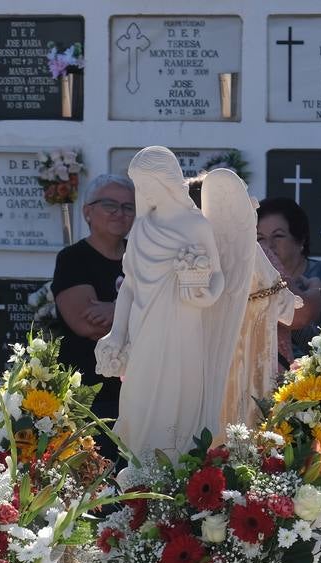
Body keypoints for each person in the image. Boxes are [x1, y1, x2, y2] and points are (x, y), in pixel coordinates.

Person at [95, 146, 224, 459]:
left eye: (147, 184)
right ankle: (140, 470)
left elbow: (218, 277)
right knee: (138, 401)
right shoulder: (142, 227)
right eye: (140, 185)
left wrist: (206, 295)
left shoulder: (197, 226)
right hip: (144, 329)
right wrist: (117, 332)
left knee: (178, 402)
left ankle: (175, 472)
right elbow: (129, 286)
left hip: (184, 330)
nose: (143, 192)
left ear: (167, 182)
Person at [49, 174, 134, 459]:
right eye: (110, 205)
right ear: (88, 211)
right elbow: (87, 324)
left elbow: (165, 316)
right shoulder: (74, 259)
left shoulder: (142, 259)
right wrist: (137, 312)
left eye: (128, 207)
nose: (119, 213)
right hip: (90, 393)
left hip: (137, 390)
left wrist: (114, 310)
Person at [208, 176, 300, 434]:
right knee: (237, 401)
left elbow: (271, 285)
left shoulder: (221, 248)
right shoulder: (243, 249)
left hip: (242, 341)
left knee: (242, 402)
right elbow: (274, 290)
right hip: (237, 342)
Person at [256, 197, 321, 366]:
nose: (268, 245)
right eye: (260, 238)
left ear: (300, 240)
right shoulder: (254, 284)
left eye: (278, 236)